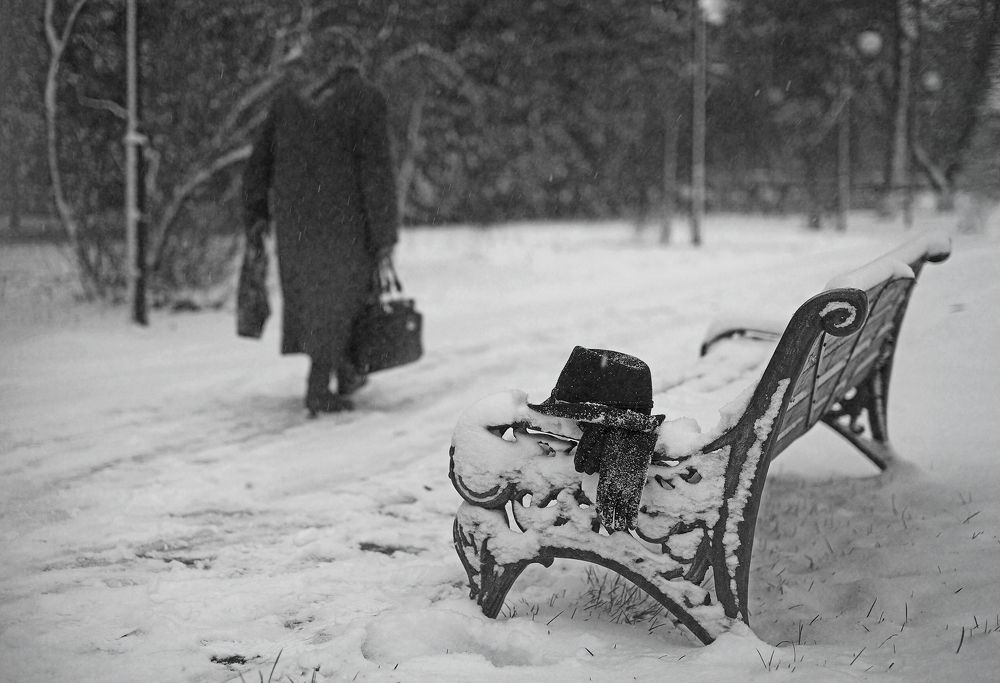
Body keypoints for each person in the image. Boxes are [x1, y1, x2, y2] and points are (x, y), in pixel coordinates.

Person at [242, 63, 399, 413]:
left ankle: (347, 372)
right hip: (346, 220)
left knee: (316, 299)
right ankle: (319, 387)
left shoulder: (287, 101)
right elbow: (376, 170)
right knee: (342, 299)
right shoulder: (364, 99)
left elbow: (257, 165)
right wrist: (384, 233)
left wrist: (256, 214)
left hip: (295, 223)